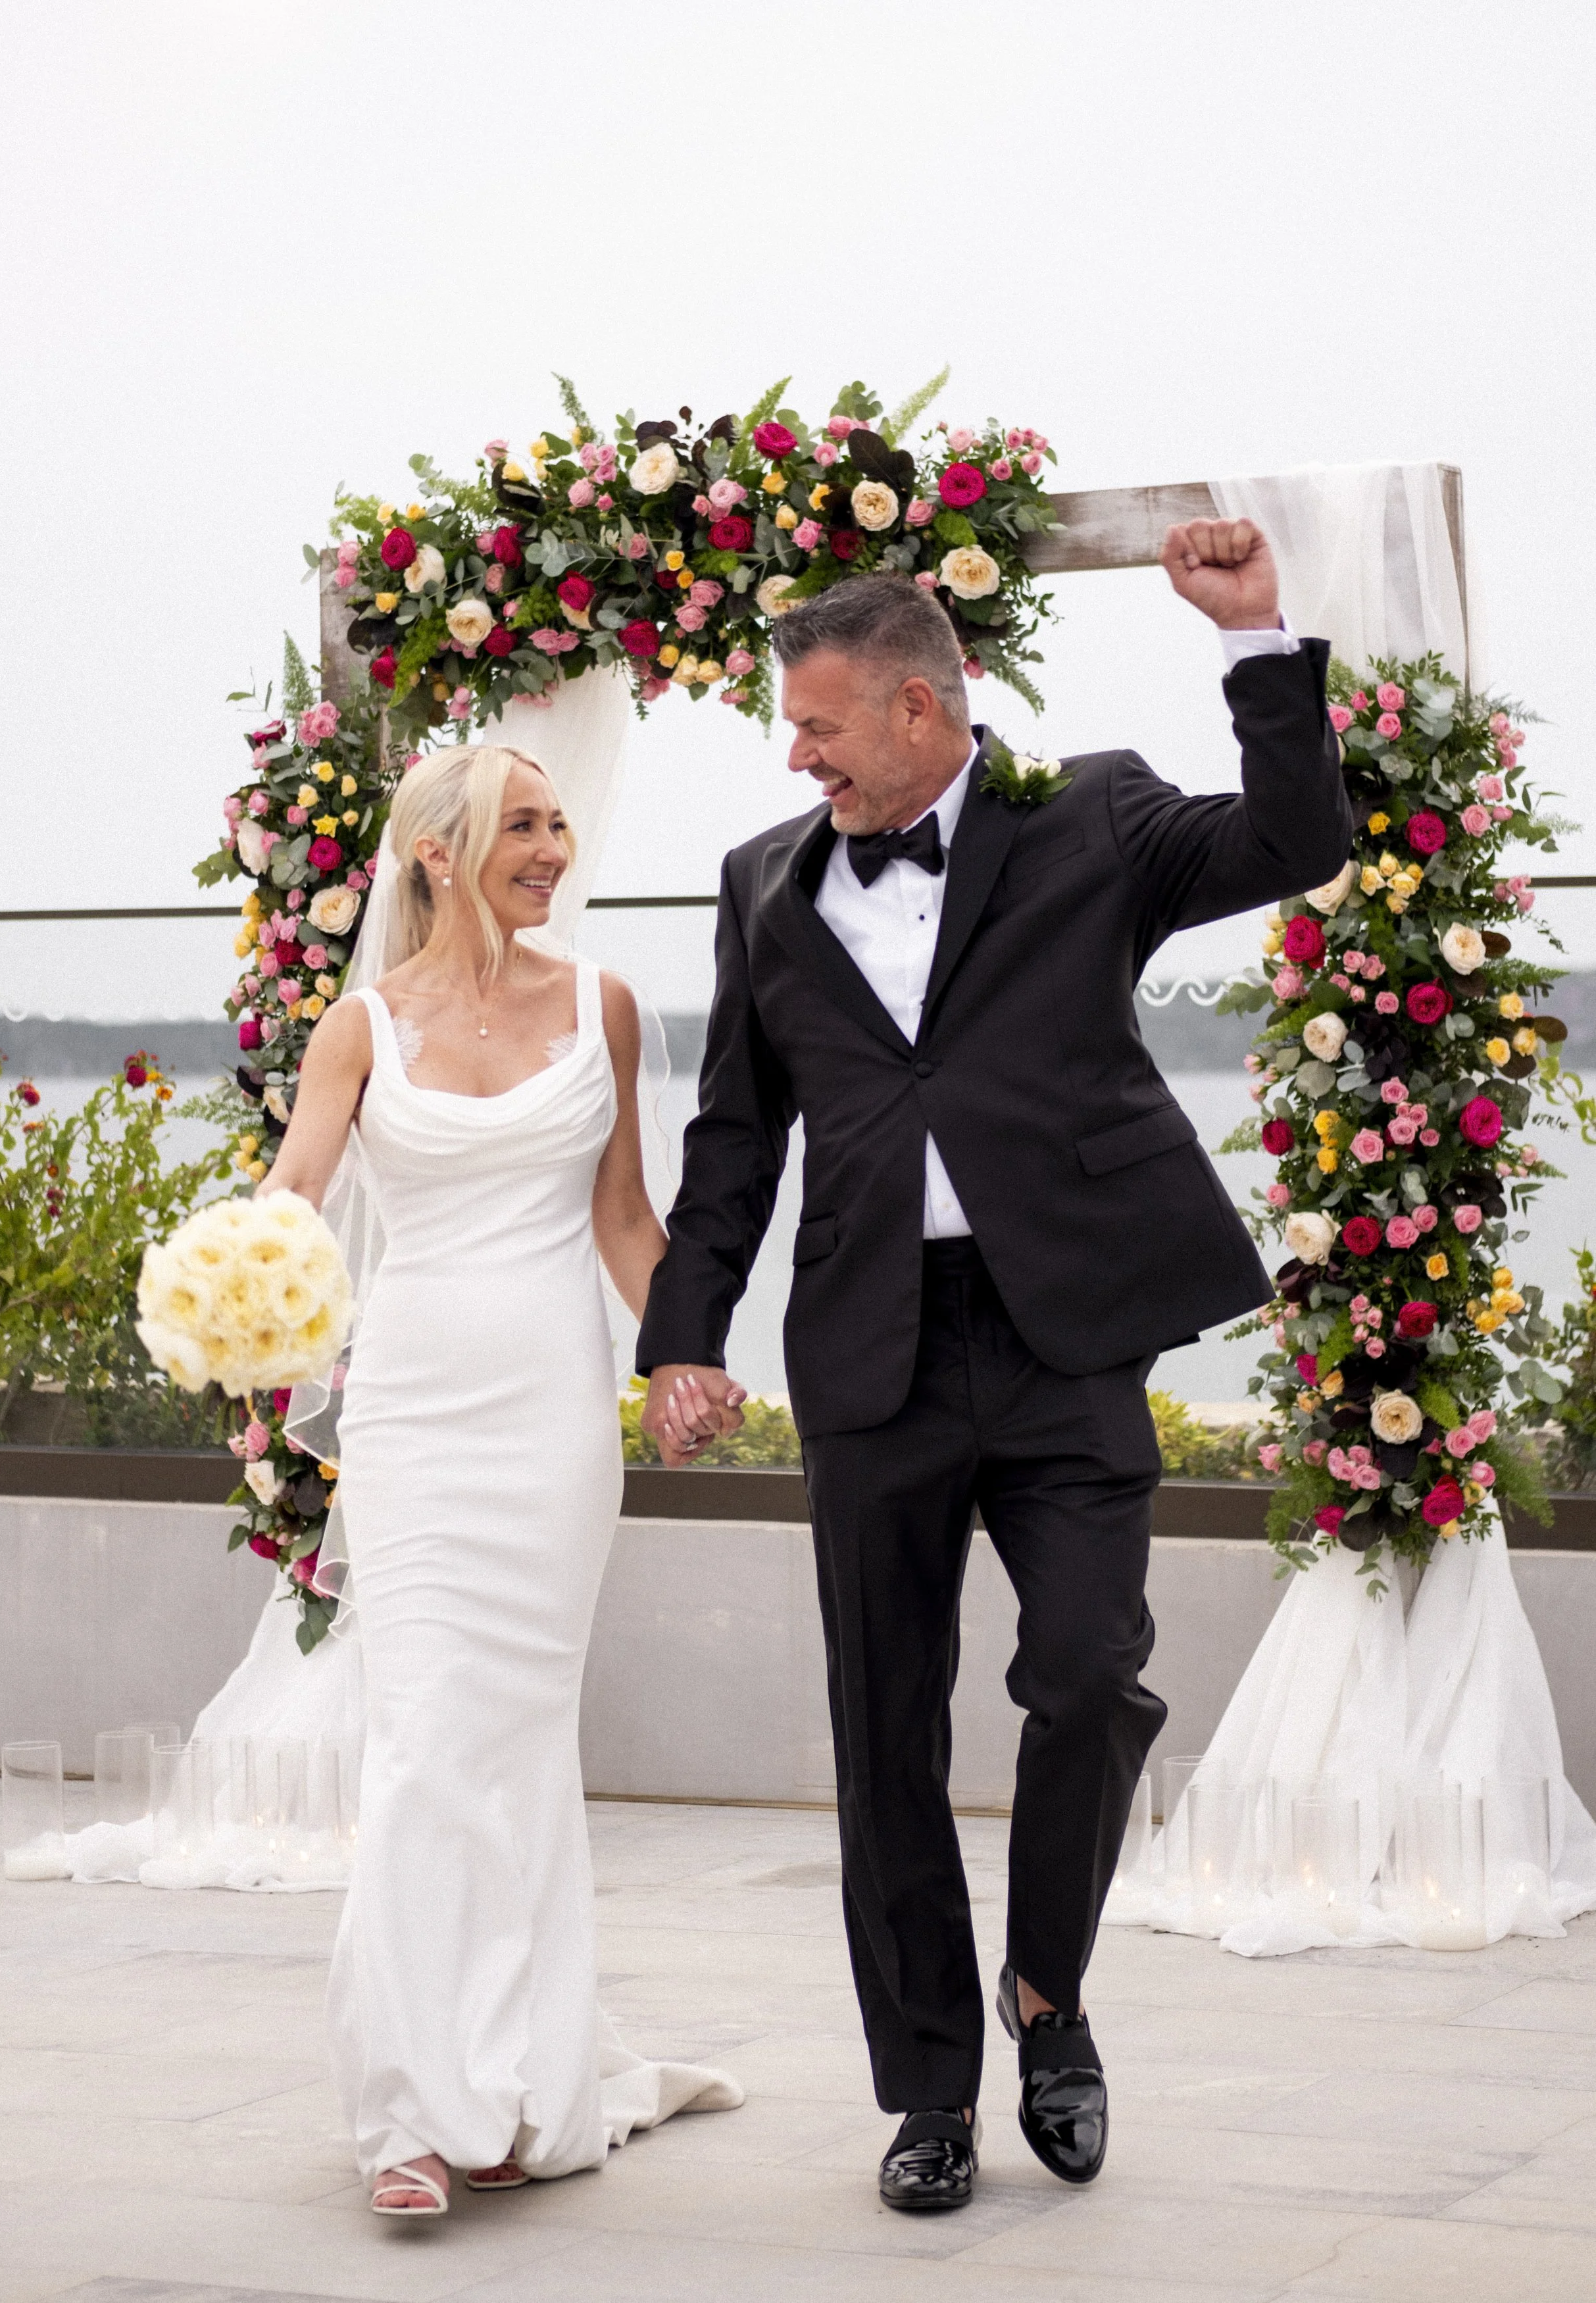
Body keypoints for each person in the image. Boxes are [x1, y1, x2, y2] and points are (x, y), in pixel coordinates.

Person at [636, 524, 1353, 2211]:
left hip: (1064, 1334)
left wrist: (1254, 639)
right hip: (869, 1353)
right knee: (879, 1730)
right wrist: (681, 1333)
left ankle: (1048, 1997)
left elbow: (1293, 834)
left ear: (915, 704)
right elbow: (734, 1141)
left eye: (815, 726)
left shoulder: (1086, 816)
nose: (793, 756)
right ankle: (929, 2093)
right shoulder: (762, 880)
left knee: (1093, 1673)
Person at [261, 742, 741, 2218]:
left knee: (519, 1747)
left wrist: (683, 1355)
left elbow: (626, 1219)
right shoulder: (361, 1026)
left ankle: (520, 2082)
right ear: (436, 852)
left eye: (554, 821)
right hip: (408, 1415)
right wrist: (232, 1296)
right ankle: (407, 2110)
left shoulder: (597, 1004)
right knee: (418, 1743)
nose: (551, 845)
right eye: (520, 825)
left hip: (545, 1417)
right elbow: (289, 1212)